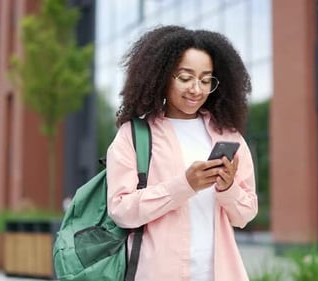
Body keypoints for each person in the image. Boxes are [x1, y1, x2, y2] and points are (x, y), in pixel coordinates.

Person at [106, 25, 258, 281]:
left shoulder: (228, 136)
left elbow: (244, 214)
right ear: (162, 76)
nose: (196, 89)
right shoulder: (134, 135)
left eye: (205, 79)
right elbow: (121, 211)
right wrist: (185, 185)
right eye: (185, 78)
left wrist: (228, 187)